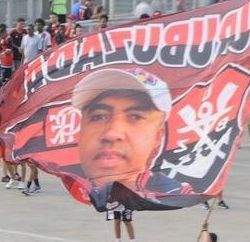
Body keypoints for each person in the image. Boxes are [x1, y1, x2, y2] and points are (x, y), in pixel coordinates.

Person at [67, 68, 194, 212]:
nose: (112, 134)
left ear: (157, 136)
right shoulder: (77, 184)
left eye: (135, 117)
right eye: (99, 116)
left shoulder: (172, 191)